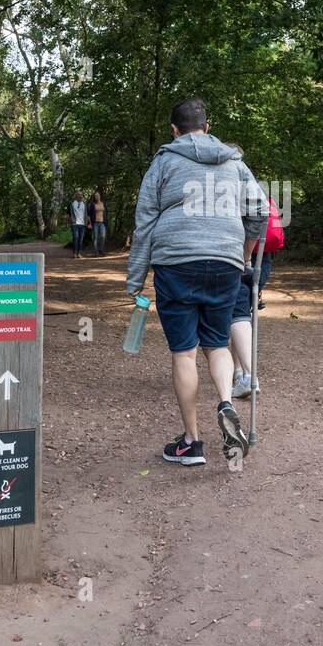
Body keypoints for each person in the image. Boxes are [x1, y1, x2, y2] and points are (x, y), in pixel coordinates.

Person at [126, 98, 268, 466]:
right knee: (218, 345)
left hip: (176, 261)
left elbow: (144, 222)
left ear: (174, 130)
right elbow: (260, 211)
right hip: (224, 262)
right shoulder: (234, 162)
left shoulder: (163, 162)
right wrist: (244, 254)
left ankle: (192, 442)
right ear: (208, 126)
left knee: (184, 352)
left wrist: (135, 279)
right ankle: (225, 402)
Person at [227, 152, 283, 398]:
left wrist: (245, 257)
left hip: (240, 261)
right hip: (264, 261)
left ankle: (247, 375)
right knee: (240, 315)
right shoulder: (257, 191)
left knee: (236, 316)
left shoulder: (224, 193)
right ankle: (239, 371)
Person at [69, 191, 87, 259]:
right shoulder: (72, 204)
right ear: (76, 196)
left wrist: (86, 222)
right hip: (75, 223)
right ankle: (74, 253)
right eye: (79, 195)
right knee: (75, 238)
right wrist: (72, 220)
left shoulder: (84, 204)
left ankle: (79, 253)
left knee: (80, 239)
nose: (80, 196)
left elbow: (86, 214)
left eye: (81, 195)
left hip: (82, 224)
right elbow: (70, 213)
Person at [91, 191, 107, 256]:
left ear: (100, 196)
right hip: (95, 223)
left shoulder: (103, 203)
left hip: (102, 222)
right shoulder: (93, 204)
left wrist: (106, 221)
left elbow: (106, 213)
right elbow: (90, 214)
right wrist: (90, 222)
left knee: (103, 236)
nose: (97, 197)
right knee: (95, 237)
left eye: (98, 195)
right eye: (95, 196)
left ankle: (101, 249)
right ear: (94, 197)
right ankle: (96, 252)